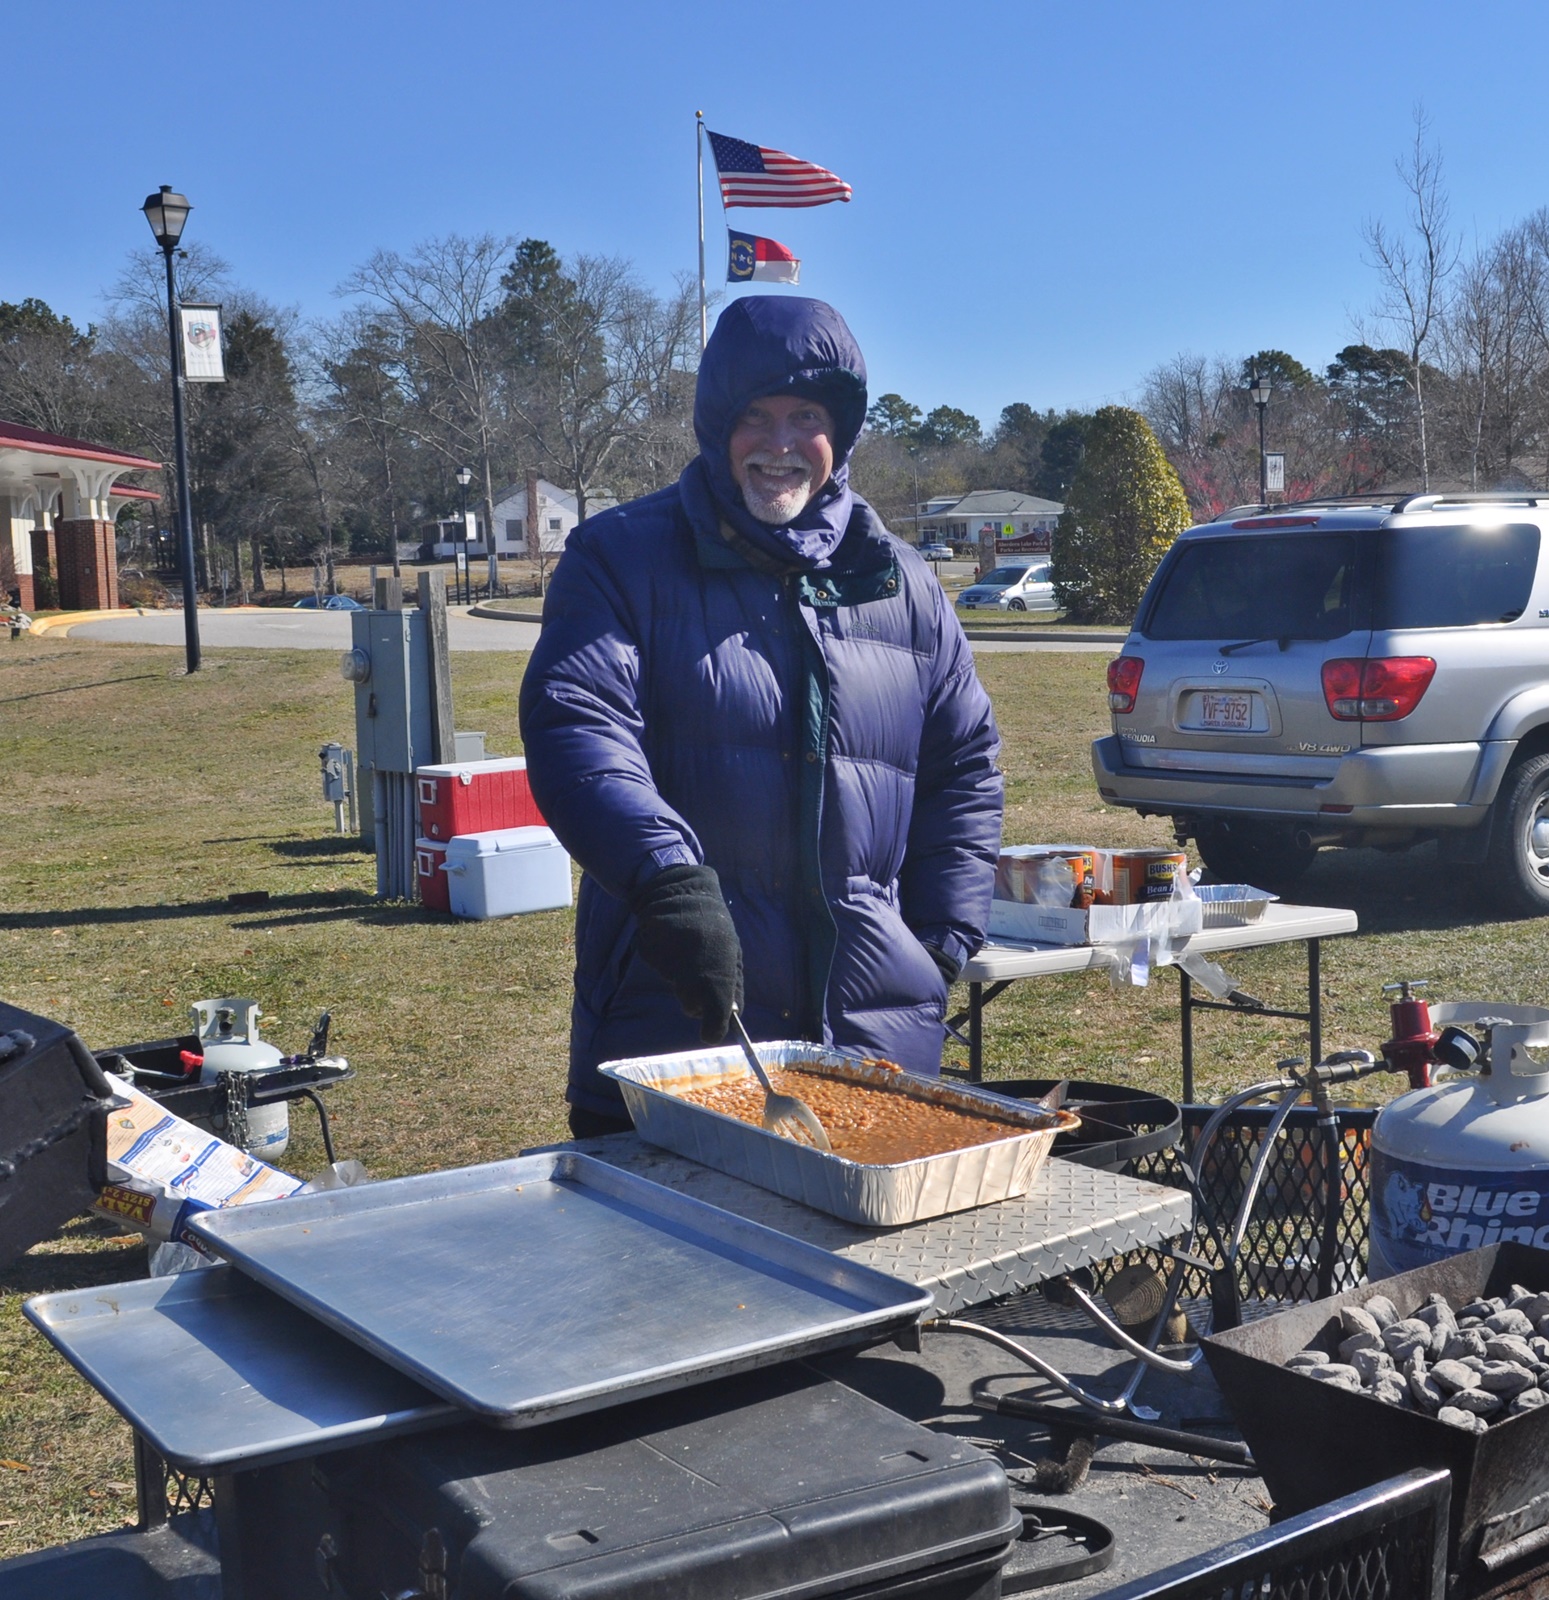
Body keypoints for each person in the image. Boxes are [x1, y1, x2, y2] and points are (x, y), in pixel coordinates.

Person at [519, 296, 1003, 1137]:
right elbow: (579, 726)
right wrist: (664, 880)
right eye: (755, 416)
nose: (780, 444)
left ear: (841, 433)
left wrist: (939, 939)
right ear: (716, 427)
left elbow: (964, 764)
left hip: (871, 1048)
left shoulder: (902, 580)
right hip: (677, 1027)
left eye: (806, 417)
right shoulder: (621, 557)